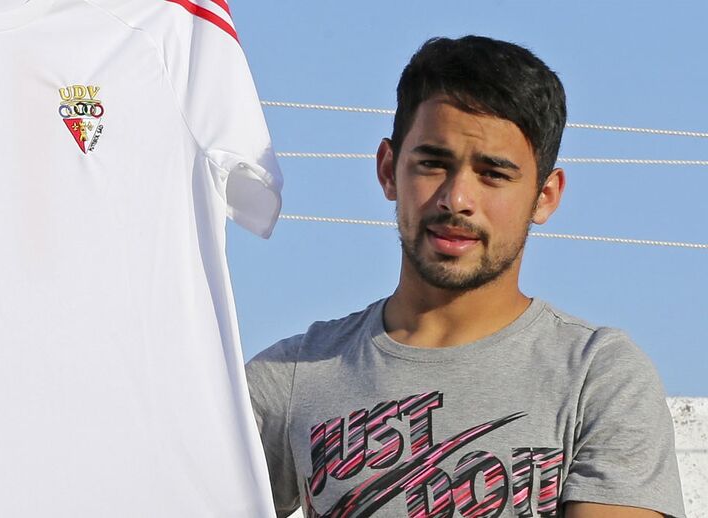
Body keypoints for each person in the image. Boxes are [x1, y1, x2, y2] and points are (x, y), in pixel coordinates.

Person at [246, 36, 685, 518]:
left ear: (544, 196)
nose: (456, 199)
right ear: (389, 170)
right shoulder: (292, 377)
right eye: (433, 164)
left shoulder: (596, 376)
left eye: (493, 173)